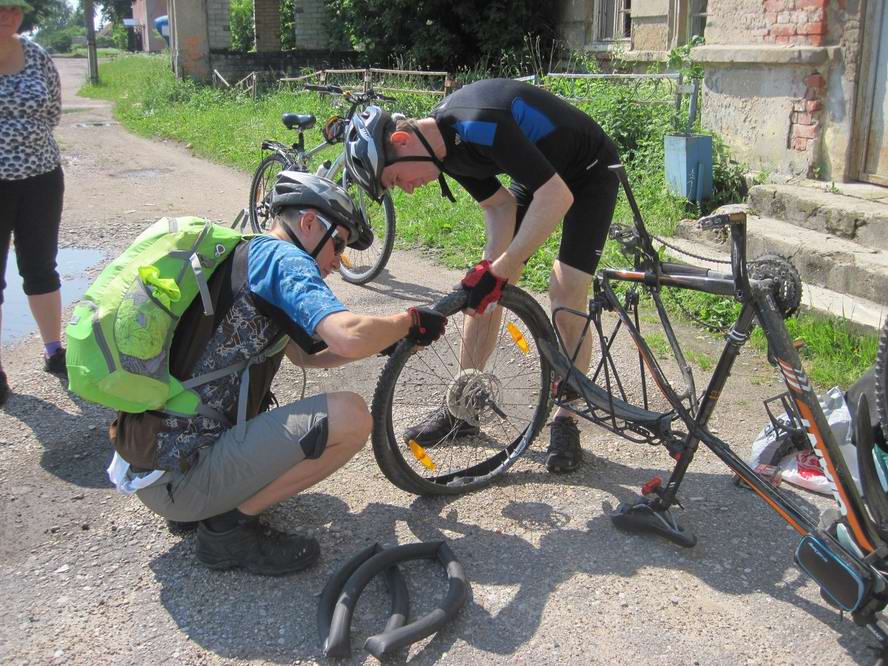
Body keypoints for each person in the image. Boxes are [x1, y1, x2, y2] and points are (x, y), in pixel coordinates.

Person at [108, 172, 447, 576]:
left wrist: (385, 339)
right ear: (307, 223)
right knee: (352, 418)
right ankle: (226, 531)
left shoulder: (246, 256)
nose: (338, 262)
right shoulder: (286, 260)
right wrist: (406, 321)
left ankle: (203, 507)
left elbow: (309, 357)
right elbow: (346, 336)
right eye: (337, 244)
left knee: (327, 438)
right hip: (181, 478)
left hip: (154, 462)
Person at [344, 78, 621, 474]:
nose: (405, 190)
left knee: (565, 288)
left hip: (588, 170)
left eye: (394, 179)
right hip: (540, 174)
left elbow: (557, 196)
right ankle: (465, 405)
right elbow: (499, 206)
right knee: (482, 291)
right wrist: (491, 271)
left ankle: (567, 417)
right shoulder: (444, 154)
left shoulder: (476, 124)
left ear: (403, 140)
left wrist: (504, 267)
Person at [0, 0, 67, 405]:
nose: (8, 16)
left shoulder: (36, 55)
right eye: (0, 8)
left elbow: (54, 109)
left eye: (14, 9)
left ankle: (54, 350)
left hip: (42, 178)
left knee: (41, 266)